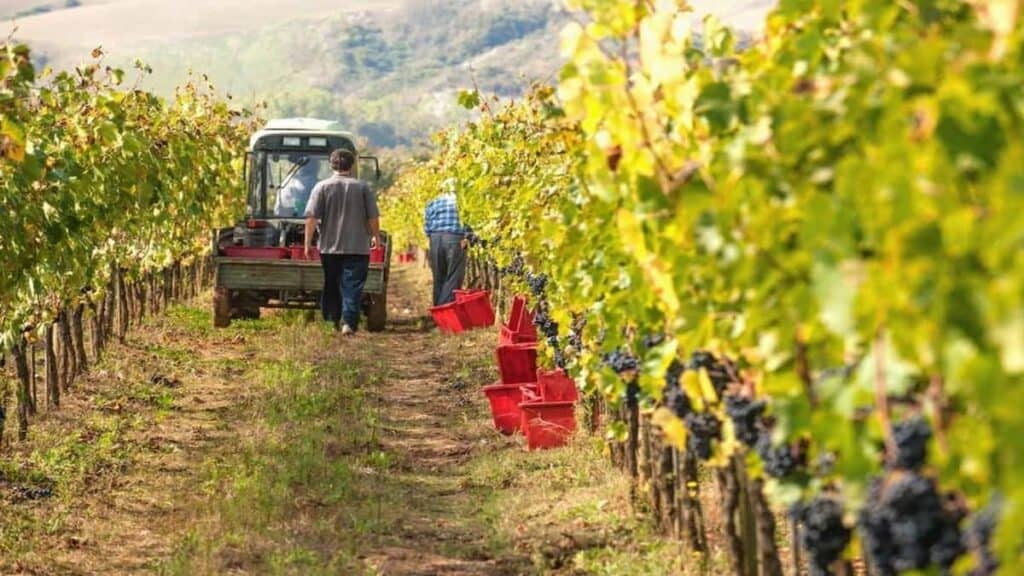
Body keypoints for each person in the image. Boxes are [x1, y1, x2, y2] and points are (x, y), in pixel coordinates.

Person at [304, 149, 381, 334]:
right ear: (352, 165)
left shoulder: (321, 187)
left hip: (329, 247)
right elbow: (373, 217)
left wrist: (307, 244)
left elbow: (311, 218)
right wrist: (376, 236)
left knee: (331, 284)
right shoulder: (363, 187)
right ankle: (348, 322)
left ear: (331, 165)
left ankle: (331, 322)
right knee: (353, 285)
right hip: (357, 247)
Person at [424, 180, 469, 306]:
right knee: (454, 276)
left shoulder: (433, 203)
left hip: (435, 239)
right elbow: (468, 223)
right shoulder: (462, 202)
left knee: (438, 277)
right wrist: (468, 237)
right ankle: (445, 309)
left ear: (443, 189)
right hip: (454, 239)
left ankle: (437, 309)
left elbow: (427, 227)